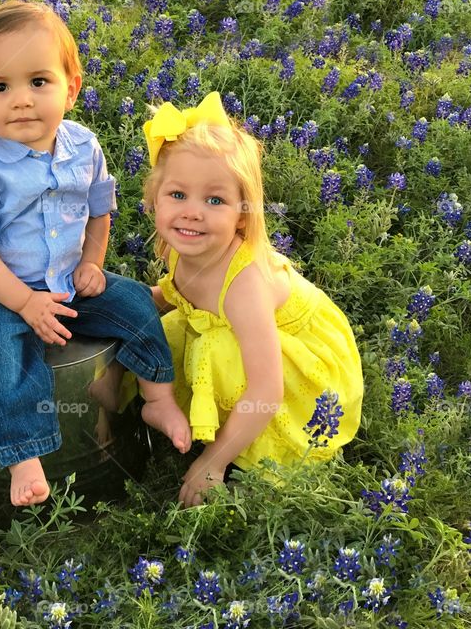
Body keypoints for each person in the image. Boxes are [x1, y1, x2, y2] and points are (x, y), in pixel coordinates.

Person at [0, 1, 191, 507]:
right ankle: (23, 455)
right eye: (0, 87)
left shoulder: (84, 146)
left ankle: (156, 398)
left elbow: (99, 210)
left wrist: (93, 263)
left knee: (135, 305)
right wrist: (23, 303)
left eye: (39, 82)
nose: (21, 101)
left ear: (71, 88)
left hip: (66, 280)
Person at [140, 92, 364, 507]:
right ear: (154, 198)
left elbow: (267, 387)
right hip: (242, 340)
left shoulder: (245, 284)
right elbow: (175, 296)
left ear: (242, 214)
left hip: (293, 376)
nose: (192, 212)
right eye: (177, 195)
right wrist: (117, 300)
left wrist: (213, 461)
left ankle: (240, 446)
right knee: (151, 330)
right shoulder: (186, 244)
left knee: (219, 349)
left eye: (214, 200)